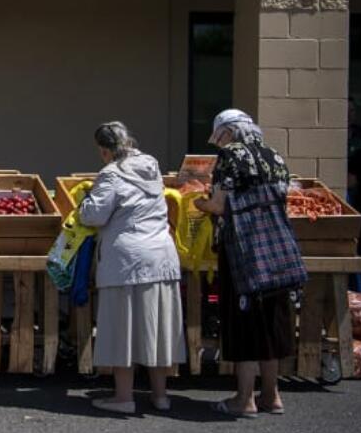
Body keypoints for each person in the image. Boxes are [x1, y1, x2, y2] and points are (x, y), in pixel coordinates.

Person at [77, 122, 185, 414]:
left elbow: (94, 215)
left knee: (122, 328)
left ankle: (124, 397)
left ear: (103, 150)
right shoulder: (151, 167)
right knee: (157, 326)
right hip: (161, 255)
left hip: (127, 259)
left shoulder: (111, 174)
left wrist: (82, 203)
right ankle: (161, 396)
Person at [195, 109, 297, 417]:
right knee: (271, 321)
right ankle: (272, 395)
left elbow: (219, 205)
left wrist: (199, 203)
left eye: (219, 137)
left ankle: (244, 399)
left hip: (244, 248)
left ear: (227, 132)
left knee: (245, 322)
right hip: (278, 249)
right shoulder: (275, 156)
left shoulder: (231, 156)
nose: (219, 143)